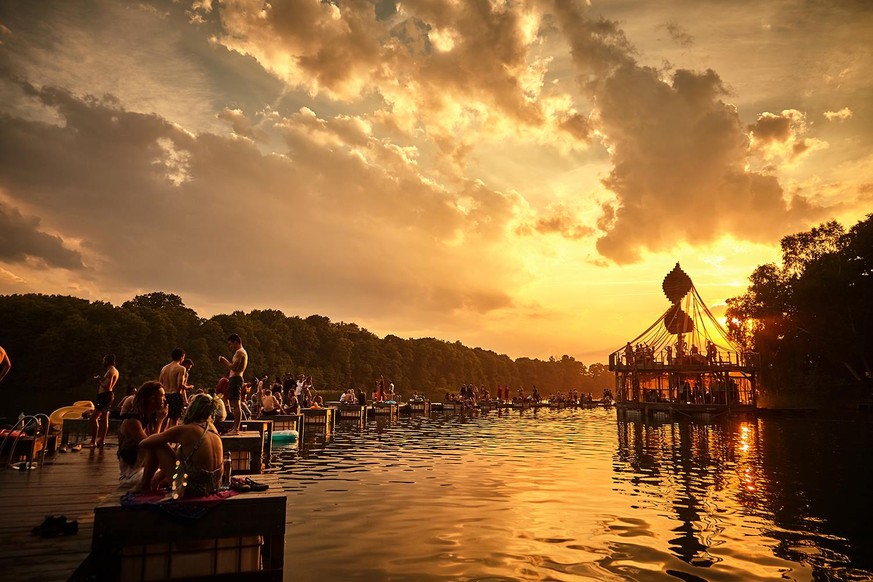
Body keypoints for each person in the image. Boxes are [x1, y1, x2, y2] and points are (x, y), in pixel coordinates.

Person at [137, 393, 224, 498]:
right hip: (213, 487)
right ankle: (153, 482)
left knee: (158, 445)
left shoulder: (186, 430)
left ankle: (143, 486)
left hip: (190, 490)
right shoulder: (212, 428)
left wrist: (160, 420)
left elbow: (144, 443)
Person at [117, 381, 168, 486]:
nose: (165, 399)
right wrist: (160, 421)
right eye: (162, 396)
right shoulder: (132, 422)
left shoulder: (147, 419)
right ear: (152, 398)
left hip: (145, 469)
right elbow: (151, 445)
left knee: (180, 476)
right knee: (173, 480)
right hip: (131, 474)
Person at [218, 333, 248, 435]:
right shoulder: (239, 352)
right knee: (234, 403)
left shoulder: (240, 352)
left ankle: (236, 428)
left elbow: (234, 367)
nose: (230, 347)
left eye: (230, 344)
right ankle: (234, 427)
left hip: (236, 379)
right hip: (234, 379)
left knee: (236, 404)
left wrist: (224, 361)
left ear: (236, 342)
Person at [88, 354, 120, 448]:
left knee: (93, 418)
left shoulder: (111, 371)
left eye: (104, 360)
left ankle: (93, 441)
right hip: (108, 396)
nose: (103, 362)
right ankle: (101, 441)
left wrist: (98, 380)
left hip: (105, 396)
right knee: (104, 418)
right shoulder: (114, 371)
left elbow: (107, 386)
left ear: (107, 361)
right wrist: (101, 379)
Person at [159, 348, 188, 428]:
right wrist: (188, 387)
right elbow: (180, 385)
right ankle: (172, 439)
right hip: (175, 396)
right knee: (174, 421)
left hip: (165, 396)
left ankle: (160, 438)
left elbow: (160, 383)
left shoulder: (164, 368)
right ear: (182, 357)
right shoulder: (181, 368)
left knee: (163, 420)